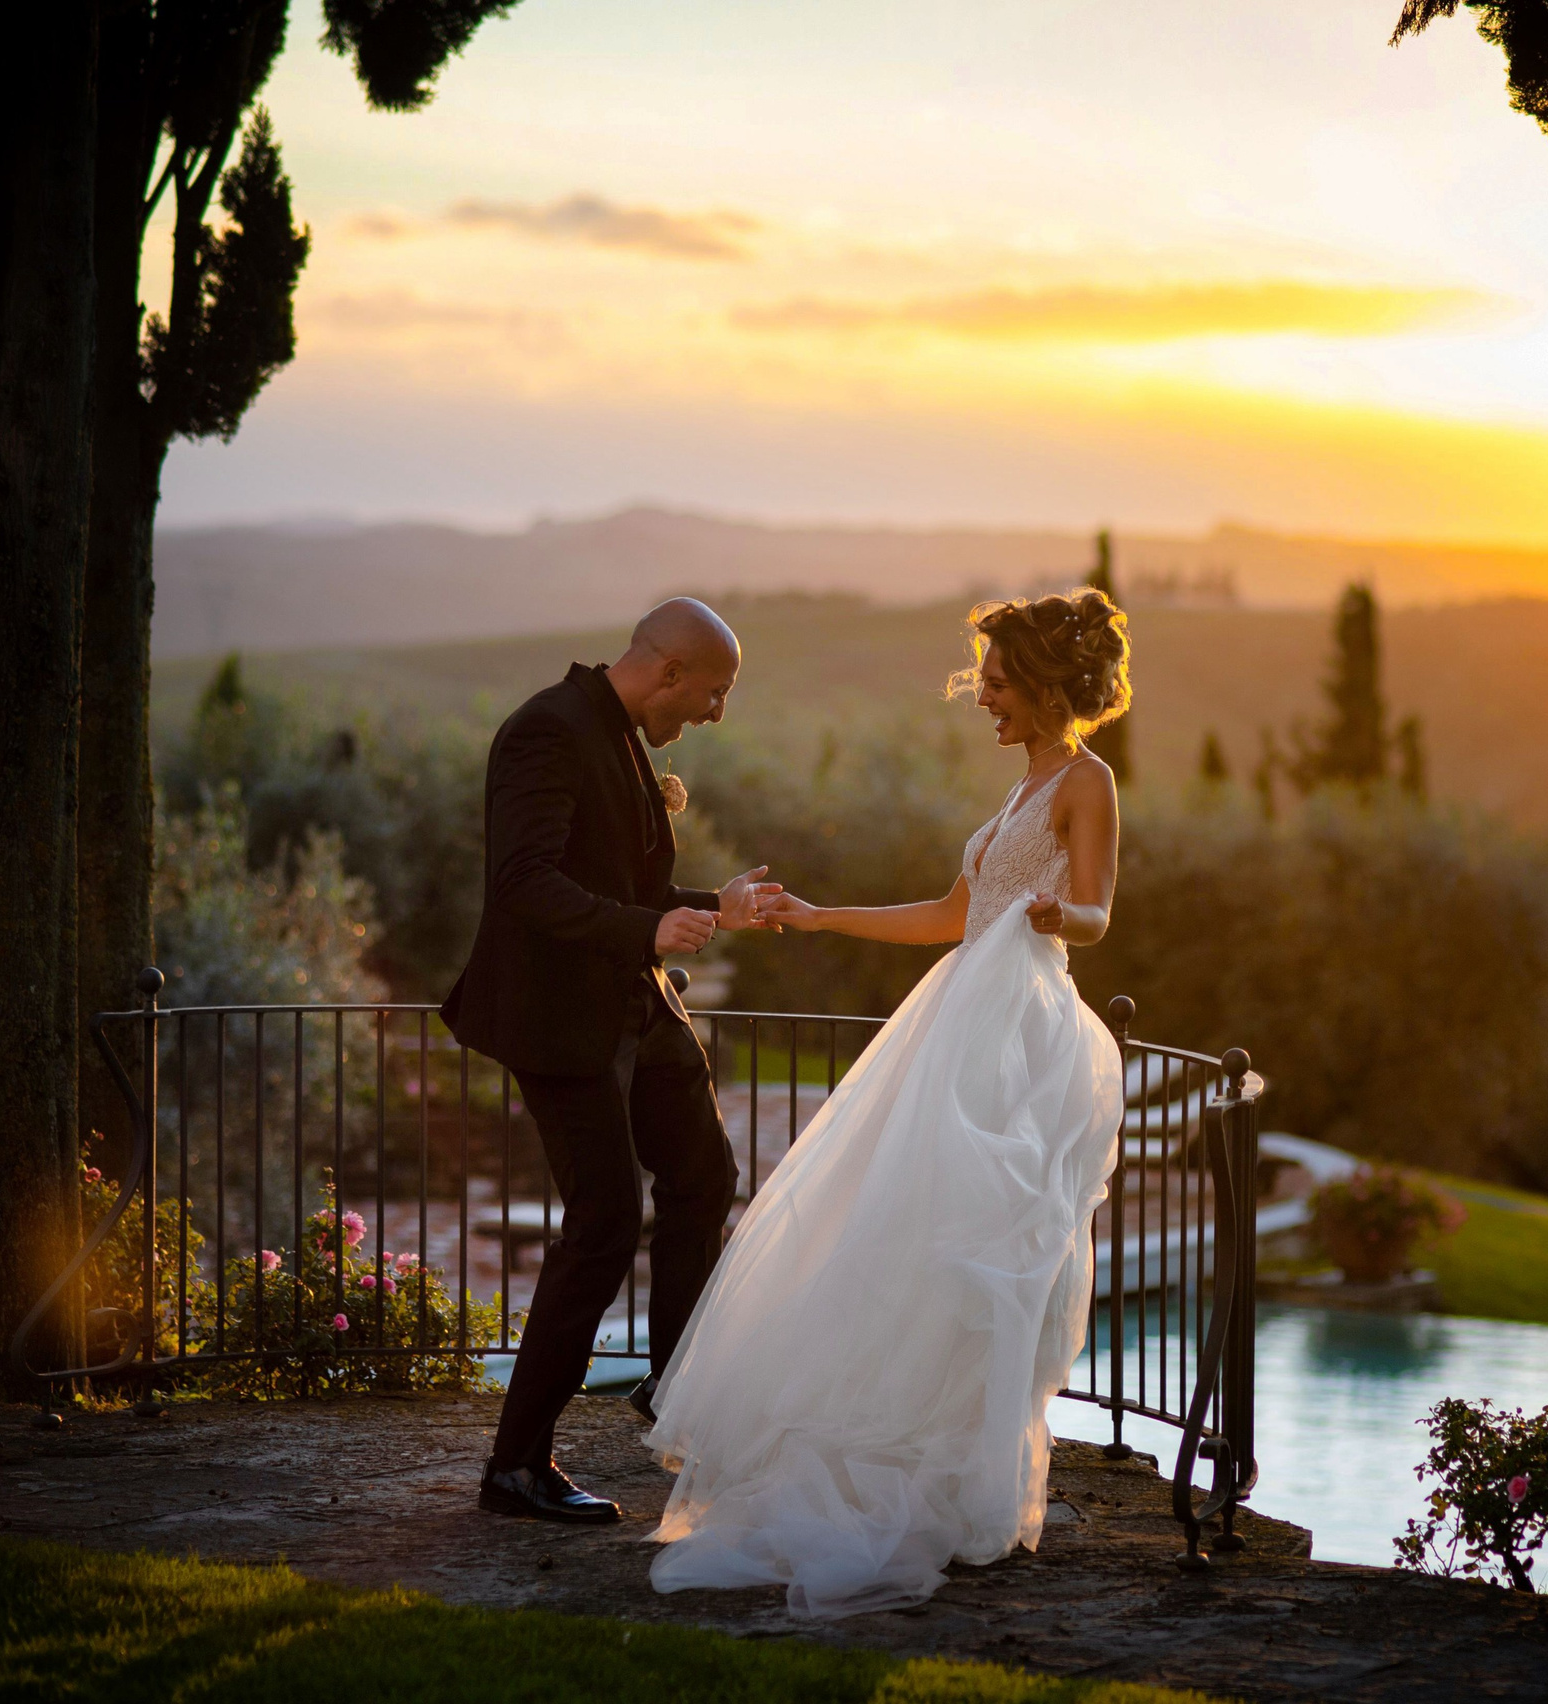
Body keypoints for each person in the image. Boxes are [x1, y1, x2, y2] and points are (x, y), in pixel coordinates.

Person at [642, 586, 1132, 1618]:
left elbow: (1094, 912)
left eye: (995, 680)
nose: (982, 696)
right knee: (905, 1244)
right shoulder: (1013, 794)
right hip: (960, 1019)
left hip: (1019, 1037)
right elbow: (952, 916)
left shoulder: (1088, 783)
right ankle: (902, 1470)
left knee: (984, 1256)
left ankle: (948, 1484)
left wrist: (1058, 913)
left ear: (1042, 682)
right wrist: (818, 919)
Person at [442, 597, 781, 1524]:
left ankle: (675, 1392)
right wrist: (647, 927)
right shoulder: (546, 731)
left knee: (704, 1173)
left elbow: (622, 886)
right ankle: (515, 1467)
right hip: (561, 1019)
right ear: (669, 673)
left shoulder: (620, 731)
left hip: (636, 1005)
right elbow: (523, 884)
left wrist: (716, 903)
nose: (716, 715)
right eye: (713, 694)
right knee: (601, 1221)